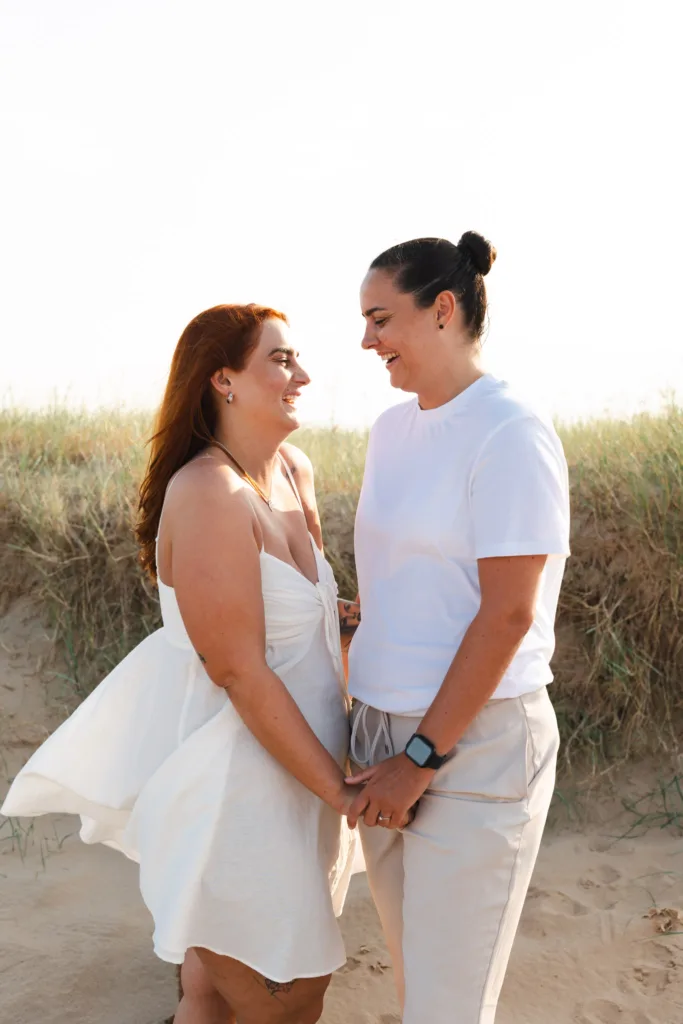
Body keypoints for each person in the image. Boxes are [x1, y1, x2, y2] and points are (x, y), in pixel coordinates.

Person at [1, 303, 366, 1024]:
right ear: (222, 380)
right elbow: (238, 670)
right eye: (281, 360)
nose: (304, 375)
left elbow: (312, 631)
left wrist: (347, 629)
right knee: (288, 999)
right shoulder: (206, 492)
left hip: (309, 767)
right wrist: (342, 792)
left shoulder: (294, 471)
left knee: (219, 990)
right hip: (241, 788)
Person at [346, 234, 571, 1024]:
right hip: (376, 735)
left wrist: (420, 757)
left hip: (469, 747)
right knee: (421, 991)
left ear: (443, 309)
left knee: (447, 1008)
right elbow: (421, 574)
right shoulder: (389, 432)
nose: (365, 341)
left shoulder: (508, 431)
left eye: (381, 319)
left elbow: (509, 611)